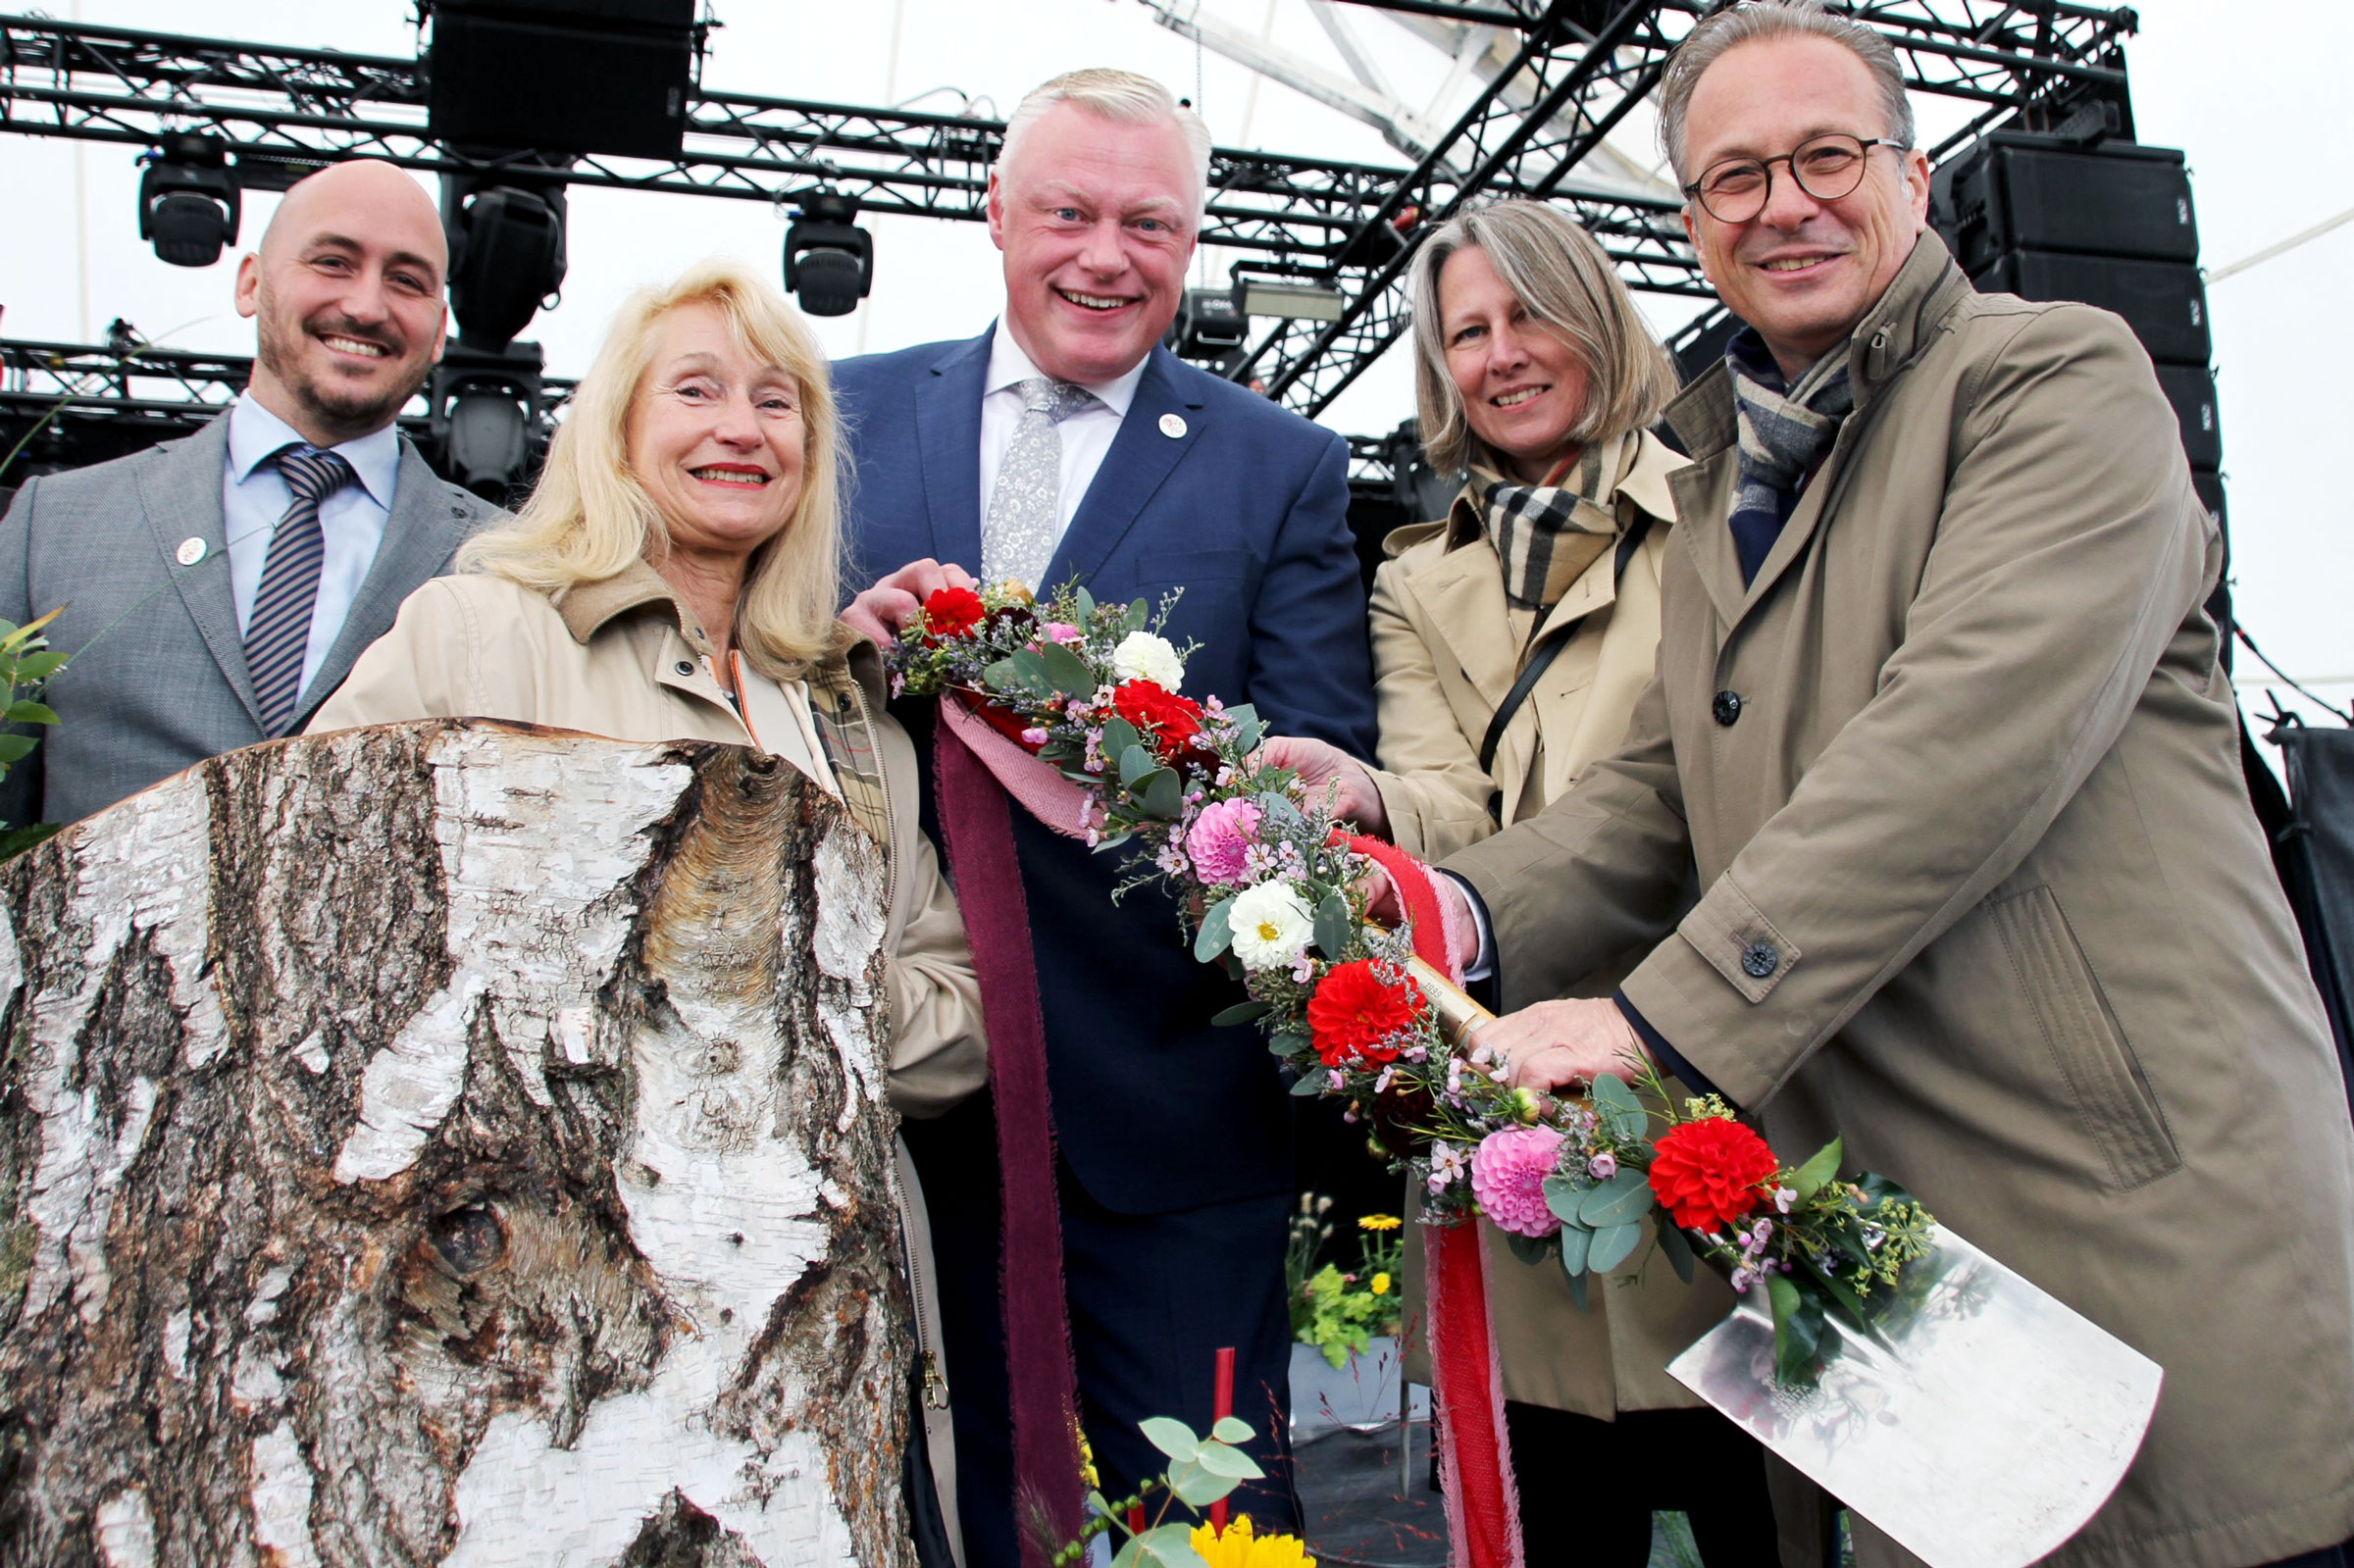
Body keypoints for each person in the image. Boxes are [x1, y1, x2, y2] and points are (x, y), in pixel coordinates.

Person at [1379, 5, 2354, 1567]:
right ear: (1692, 229)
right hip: (1893, 1254)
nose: (1786, 201)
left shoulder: (2050, 380)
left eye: (1827, 153)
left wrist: (1654, 1016)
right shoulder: (1730, 488)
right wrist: (1432, 898)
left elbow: (1956, 747)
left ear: (1909, 171)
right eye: (1735, 176)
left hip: (2115, 1209)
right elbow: (1652, 797)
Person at [310, 257, 988, 1555]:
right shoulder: (482, 631)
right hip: (557, 1324)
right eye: (696, 388)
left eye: (778, 400)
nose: (742, 424)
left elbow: (958, 1022)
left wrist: (772, 976)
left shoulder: (851, 714)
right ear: (616, 428)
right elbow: (321, 900)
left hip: (835, 1326)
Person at [834, 69, 1376, 1566]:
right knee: (921, 1516)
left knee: (1210, 1525)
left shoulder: (1286, 464)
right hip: (891, 1096)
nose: (1105, 254)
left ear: (1191, 242)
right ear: (995, 212)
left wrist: (1292, 790)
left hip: (1170, 1120)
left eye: (1150, 222)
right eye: (1068, 211)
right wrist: (838, 637)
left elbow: (1324, 749)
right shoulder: (841, 411)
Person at [1262, 198, 1789, 1567]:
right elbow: (1450, 806)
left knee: (1770, 1498)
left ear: (1600, 316)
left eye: (1528, 313)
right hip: (1527, 1087)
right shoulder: (1418, 578)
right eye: (1466, 332)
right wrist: (1373, 799)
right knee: (1563, 1491)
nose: (1500, 354)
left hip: (1731, 1049)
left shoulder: (1729, 500)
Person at [0, 159, 501, 831]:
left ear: (439, 329)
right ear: (251, 282)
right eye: (332, 262)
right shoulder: (55, 526)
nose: (365, 305)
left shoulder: (506, 564)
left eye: (406, 281)